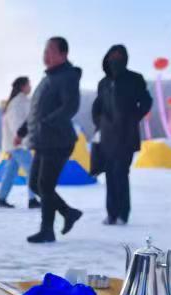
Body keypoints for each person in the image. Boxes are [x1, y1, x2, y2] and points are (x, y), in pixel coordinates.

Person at [15, 37, 84, 243]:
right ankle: (68, 212)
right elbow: (36, 111)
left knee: (44, 185)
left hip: (59, 140)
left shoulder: (68, 76)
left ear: (63, 55)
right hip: (43, 140)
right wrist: (22, 130)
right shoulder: (48, 78)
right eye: (45, 51)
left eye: (51, 51)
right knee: (36, 184)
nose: (46, 55)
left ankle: (47, 230)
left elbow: (70, 106)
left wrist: (47, 122)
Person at [91, 45, 153, 225]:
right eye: (112, 55)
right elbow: (97, 106)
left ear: (125, 58)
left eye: (119, 56)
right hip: (107, 136)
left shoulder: (135, 78)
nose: (115, 59)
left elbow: (147, 101)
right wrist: (99, 122)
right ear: (107, 57)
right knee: (110, 174)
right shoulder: (103, 83)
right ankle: (111, 214)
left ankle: (123, 214)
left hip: (126, 135)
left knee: (121, 173)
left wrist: (134, 117)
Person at [0, 77, 40, 209]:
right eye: (29, 84)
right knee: (32, 171)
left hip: (13, 144)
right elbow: (16, 124)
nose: (30, 87)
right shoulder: (18, 103)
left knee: (10, 172)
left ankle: (1, 199)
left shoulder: (19, 101)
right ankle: (32, 199)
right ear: (22, 86)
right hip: (18, 144)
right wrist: (22, 139)